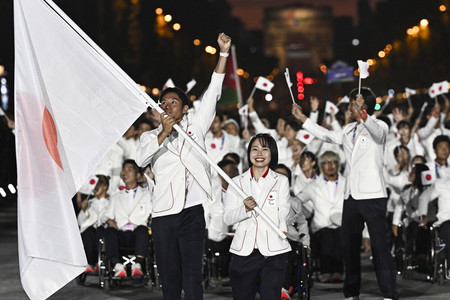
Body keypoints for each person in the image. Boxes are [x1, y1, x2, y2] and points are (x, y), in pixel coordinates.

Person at [134, 33, 231, 300]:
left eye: (173, 102)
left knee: (192, 272)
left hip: (192, 211)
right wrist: (162, 133)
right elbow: (141, 160)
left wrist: (223, 54)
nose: (166, 106)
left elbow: (214, 90)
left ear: (186, 108)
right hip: (164, 212)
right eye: (162, 104)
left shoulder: (196, 125)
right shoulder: (149, 137)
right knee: (169, 274)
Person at [292, 87, 398, 300]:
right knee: (349, 246)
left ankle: (389, 293)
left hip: (373, 195)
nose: (349, 107)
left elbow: (377, 135)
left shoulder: (380, 125)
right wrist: (304, 118)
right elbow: (327, 135)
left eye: (352, 103)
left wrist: (364, 116)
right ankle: (351, 293)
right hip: (351, 197)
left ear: (362, 105)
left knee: (379, 247)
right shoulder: (348, 129)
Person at [223, 133, 291, 300]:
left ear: (272, 153)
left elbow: (284, 209)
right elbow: (228, 218)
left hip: (274, 249)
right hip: (244, 251)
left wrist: (282, 227)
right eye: (255, 149)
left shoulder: (281, 181)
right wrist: (244, 209)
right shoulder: (236, 183)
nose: (259, 154)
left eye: (264, 149)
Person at [297, 151, 345, 283]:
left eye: (333, 162)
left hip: (342, 224)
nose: (330, 166)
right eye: (326, 163)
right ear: (320, 166)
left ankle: (338, 271)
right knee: (327, 236)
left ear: (338, 165)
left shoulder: (347, 183)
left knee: (340, 235)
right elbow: (297, 201)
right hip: (321, 226)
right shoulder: (312, 186)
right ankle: (326, 271)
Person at [104, 159, 152, 278]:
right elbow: (106, 215)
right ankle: (118, 266)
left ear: (138, 175)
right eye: (124, 170)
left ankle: (138, 265)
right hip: (121, 233)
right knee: (109, 231)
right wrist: (110, 221)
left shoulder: (147, 194)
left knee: (142, 229)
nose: (125, 172)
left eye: (129, 170)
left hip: (138, 234)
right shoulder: (115, 196)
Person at [274, 163, 310, 299]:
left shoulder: (295, 203)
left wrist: (306, 244)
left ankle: (284, 288)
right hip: (266, 238)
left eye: (284, 176)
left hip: (289, 239)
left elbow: (302, 224)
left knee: (288, 254)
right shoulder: (261, 199)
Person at [77, 175, 110, 274]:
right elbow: (80, 222)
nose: (95, 188)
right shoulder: (89, 202)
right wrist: (83, 210)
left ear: (105, 186)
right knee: (88, 232)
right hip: (91, 233)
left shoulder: (112, 201)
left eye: (98, 184)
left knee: (102, 230)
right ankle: (90, 263)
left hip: (104, 231)